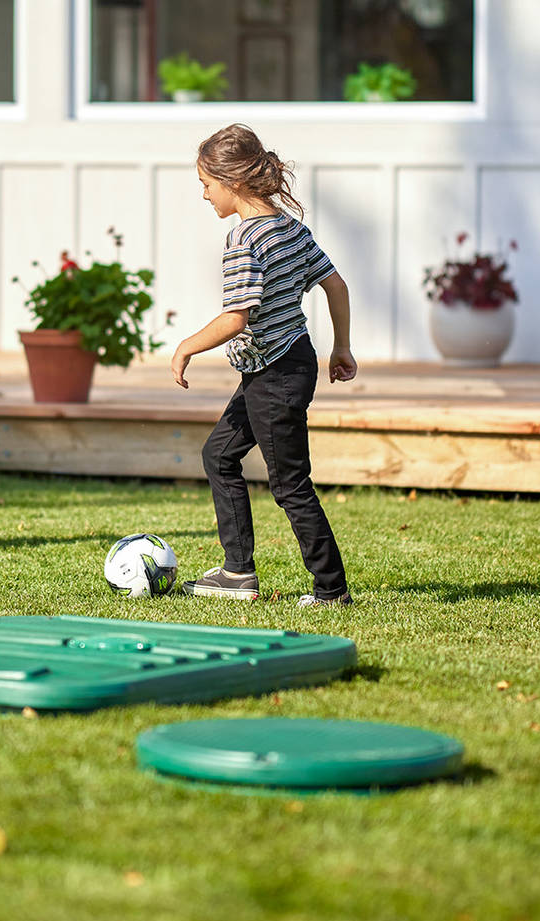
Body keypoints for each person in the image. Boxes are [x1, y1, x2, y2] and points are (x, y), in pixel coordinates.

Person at [169, 124, 355, 608]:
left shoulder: (244, 239)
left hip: (274, 375)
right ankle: (236, 573)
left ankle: (331, 588)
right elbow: (336, 285)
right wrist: (341, 347)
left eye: (207, 185)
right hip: (284, 364)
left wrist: (187, 346)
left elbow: (236, 317)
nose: (205, 196)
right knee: (219, 456)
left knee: (290, 483)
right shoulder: (290, 228)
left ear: (233, 182)